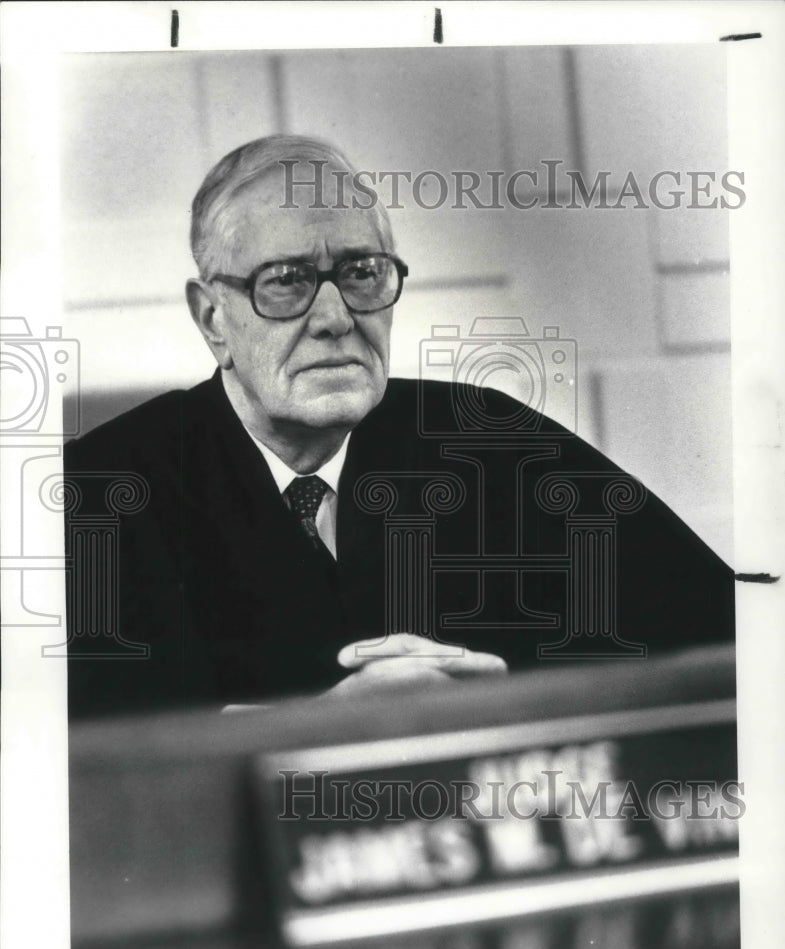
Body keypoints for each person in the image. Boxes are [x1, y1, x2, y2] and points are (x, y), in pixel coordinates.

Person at [64, 135, 735, 718]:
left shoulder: (490, 441)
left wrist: (511, 695)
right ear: (213, 319)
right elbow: (69, 755)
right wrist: (320, 725)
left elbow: (725, 640)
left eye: (360, 272)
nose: (333, 316)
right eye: (285, 281)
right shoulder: (99, 489)